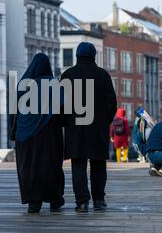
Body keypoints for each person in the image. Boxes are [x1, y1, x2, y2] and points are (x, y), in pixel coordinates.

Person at [61, 42, 117, 212]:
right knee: (98, 164)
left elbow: (60, 105)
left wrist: (67, 123)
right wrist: (104, 121)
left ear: (77, 56)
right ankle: (99, 200)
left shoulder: (67, 75)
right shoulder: (103, 75)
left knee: (78, 164)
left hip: (75, 129)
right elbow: (112, 104)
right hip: (97, 128)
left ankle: (82, 201)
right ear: (94, 56)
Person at [10, 53, 65, 213]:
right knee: (50, 166)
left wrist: (15, 132)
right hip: (49, 135)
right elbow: (63, 110)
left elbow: (14, 112)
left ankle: (33, 201)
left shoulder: (23, 84)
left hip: (24, 135)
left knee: (28, 167)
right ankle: (54, 199)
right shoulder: (53, 84)